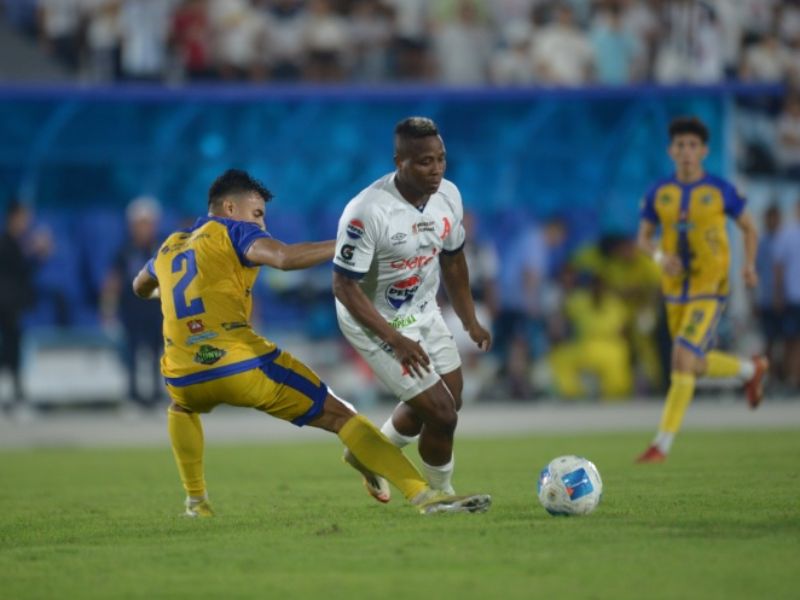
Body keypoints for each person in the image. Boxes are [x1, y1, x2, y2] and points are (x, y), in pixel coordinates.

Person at [132, 168, 490, 517]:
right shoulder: (235, 232)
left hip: (183, 376)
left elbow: (139, 286)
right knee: (341, 416)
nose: (262, 225)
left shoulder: (170, 245)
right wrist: (351, 243)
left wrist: (175, 297)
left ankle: (197, 503)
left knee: (181, 409)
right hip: (239, 365)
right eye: (257, 214)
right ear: (230, 209)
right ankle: (423, 495)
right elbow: (284, 258)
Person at [332, 117, 492, 504]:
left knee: (450, 400)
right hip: (374, 319)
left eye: (441, 159)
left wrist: (469, 319)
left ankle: (369, 452)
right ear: (399, 162)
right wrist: (396, 340)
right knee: (441, 412)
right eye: (424, 161)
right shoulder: (367, 212)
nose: (436, 169)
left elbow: (453, 260)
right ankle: (442, 495)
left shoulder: (449, 196)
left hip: (423, 310)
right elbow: (344, 286)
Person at [635, 116, 768, 463]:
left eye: (693, 145)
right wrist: (661, 257)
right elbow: (644, 240)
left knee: (680, 356)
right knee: (691, 363)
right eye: (680, 145)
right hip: (674, 289)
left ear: (704, 151)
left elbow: (750, 229)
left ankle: (660, 445)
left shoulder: (721, 190)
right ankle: (750, 370)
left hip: (710, 287)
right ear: (671, 150)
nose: (687, 152)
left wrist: (749, 266)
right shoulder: (659, 193)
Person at [102, 196, 164, 409]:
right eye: (140, 223)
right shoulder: (124, 251)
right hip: (132, 310)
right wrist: (108, 313)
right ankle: (133, 396)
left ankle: (156, 396)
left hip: (157, 310)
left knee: (159, 355)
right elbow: (113, 282)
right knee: (132, 355)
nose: (144, 228)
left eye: (148, 223)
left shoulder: (162, 249)